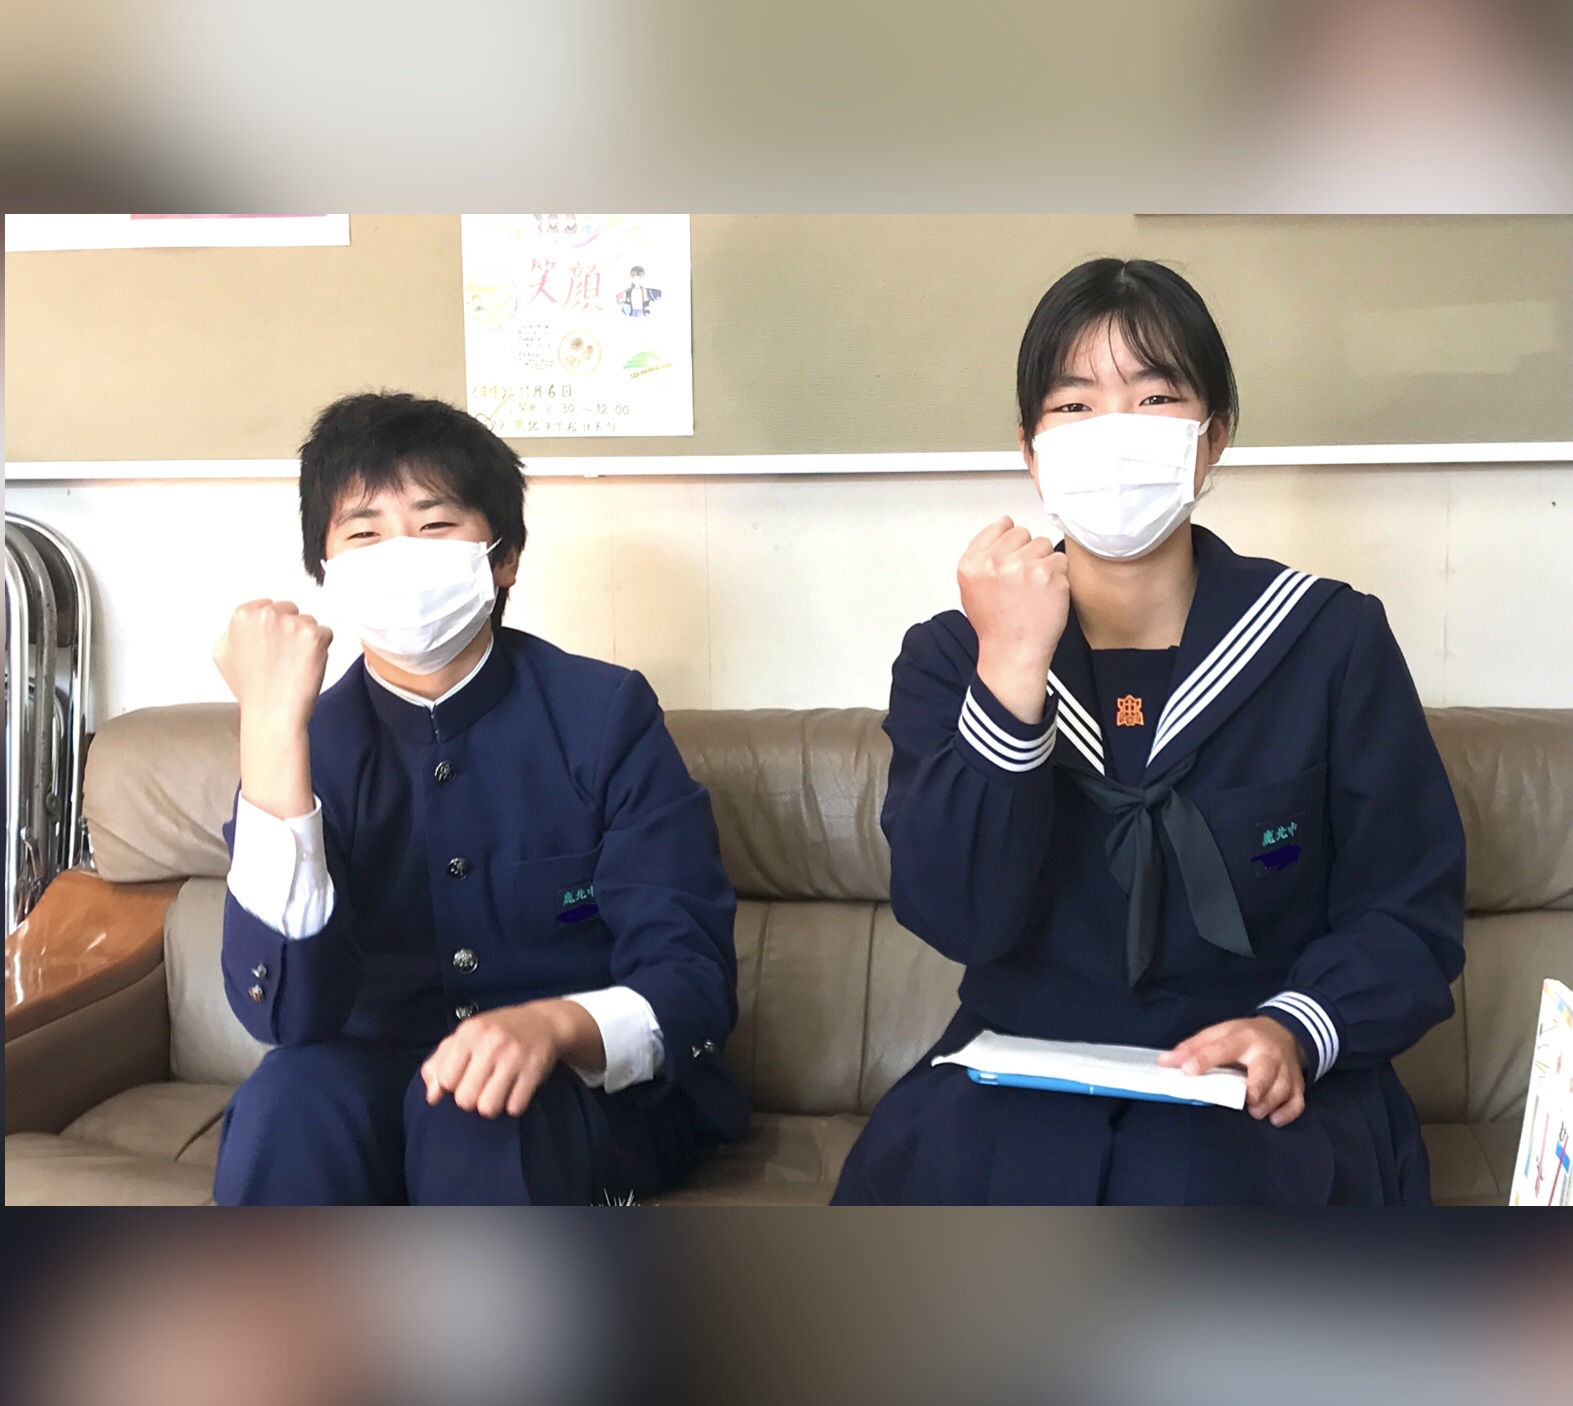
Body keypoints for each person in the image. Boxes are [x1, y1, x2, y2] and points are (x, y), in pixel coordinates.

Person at [832, 258, 1465, 1205]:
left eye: (1155, 396)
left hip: (1255, 1077)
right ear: (1030, 449)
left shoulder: (1326, 639)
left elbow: (1406, 909)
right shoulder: (952, 656)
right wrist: (1010, 671)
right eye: (1074, 405)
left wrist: (1296, 1029)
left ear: (1212, 439)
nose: (1114, 431)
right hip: (1019, 1072)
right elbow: (956, 916)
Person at [211, 392, 748, 1204]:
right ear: (326, 569)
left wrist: (553, 1026)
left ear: (504, 558)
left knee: (478, 1113)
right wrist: (270, 731)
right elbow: (285, 1016)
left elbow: (690, 975)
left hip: (570, 1093)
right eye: (364, 534)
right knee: (290, 1099)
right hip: (376, 1081)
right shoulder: (301, 738)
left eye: (434, 525)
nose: (400, 555)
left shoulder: (602, 714)